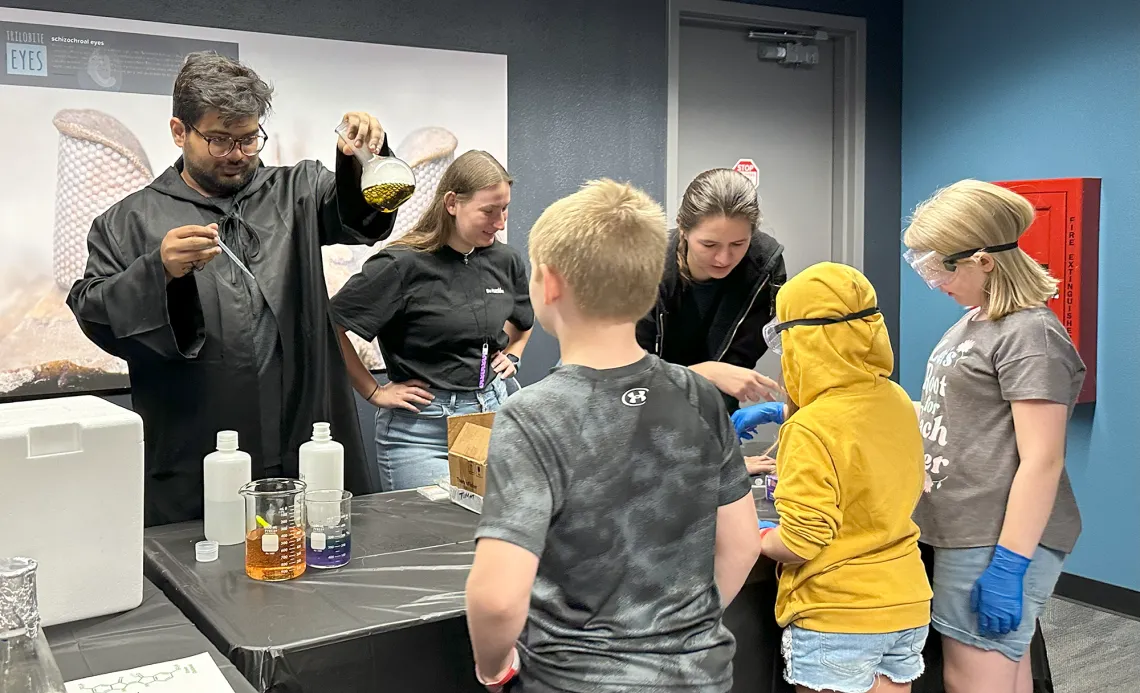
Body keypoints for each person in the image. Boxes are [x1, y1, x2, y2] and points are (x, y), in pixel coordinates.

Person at [67, 52, 395, 526]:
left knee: (325, 571)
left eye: (249, 139)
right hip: (200, 450)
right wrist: (157, 270)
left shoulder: (297, 192)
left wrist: (368, 156)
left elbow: (363, 218)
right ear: (180, 132)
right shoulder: (128, 222)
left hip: (305, 435)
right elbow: (93, 311)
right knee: (211, 578)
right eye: (219, 141)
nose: (238, 155)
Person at [465, 179, 763, 693]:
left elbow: (496, 598)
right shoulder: (700, 396)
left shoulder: (531, 416)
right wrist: (676, 633)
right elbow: (740, 546)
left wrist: (491, 669)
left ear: (548, 284)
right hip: (699, 676)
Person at [903, 179, 1085, 693]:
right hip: (960, 524)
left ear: (984, 260)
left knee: (972, 679)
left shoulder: (1030, 335)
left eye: (942, 266)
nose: (935, 280)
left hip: (993, 535)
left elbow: (1042, 460)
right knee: (1002, 672)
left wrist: (1010, 563)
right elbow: (949, 413)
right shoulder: (975, 322)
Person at [733, 262, 932, 693]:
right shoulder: (896, 400)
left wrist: (762, 534)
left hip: (839, 612)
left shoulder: (811, 428)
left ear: (804, 343)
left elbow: (802, 541)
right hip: (905, 604)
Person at [331, 151, 532, 492]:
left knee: (487, 534)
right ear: (452, 203)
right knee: (434, 539)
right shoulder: (400, 265)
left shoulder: (505, 260)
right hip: (420, 430)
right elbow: (331, 327)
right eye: (488, 211)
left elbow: (522, 323)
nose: (500, 223)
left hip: (490, 414)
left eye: (504, 209)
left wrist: (512, 355)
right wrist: (373, 392)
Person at [635, 168, 786, 474]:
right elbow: (629, 382)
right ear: (683, 229)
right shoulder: (646, 270)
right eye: (709, 245)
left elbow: (738, 362)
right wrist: (704, 372)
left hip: (710, 419)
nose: (723, 259)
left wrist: (719, 458)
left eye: (738, 245)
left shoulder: (764, 269)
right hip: (640, 431)